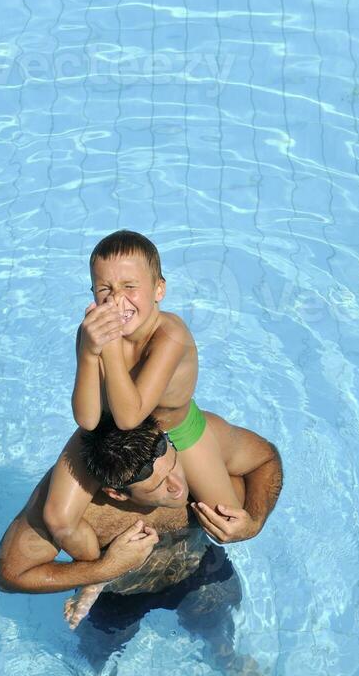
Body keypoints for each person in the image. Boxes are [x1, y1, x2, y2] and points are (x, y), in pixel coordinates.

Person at [0, 409, 282, 676]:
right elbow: (9, 574)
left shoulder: (197, 443)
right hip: (119, 591)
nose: (177, 487)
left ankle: (226, 656)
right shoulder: (83, 510)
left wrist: (254, 522)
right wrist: (105, 568)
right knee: (101, 648)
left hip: (193, 563)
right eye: (158, 486)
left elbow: (266, 460)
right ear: (116, 492)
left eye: (171, 466)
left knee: (216, 618)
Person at [41, 229, 243, 579]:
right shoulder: (92, 331)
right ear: (92, 293)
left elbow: (131, 415)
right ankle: (102, 574)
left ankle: (231, 471)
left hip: (174, 430)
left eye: (130, 287)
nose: (117, 300)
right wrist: (90, 352)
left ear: (159, 290)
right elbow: (88, 419)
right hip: (109, 435)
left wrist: (111, 348)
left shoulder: (170, 335)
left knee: (226, 521)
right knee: (57, 519)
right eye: (105, 289)